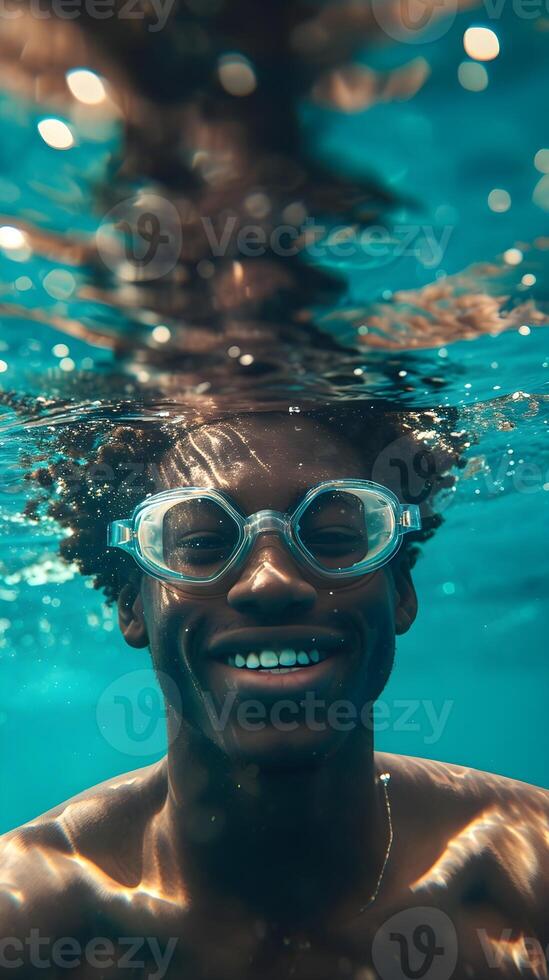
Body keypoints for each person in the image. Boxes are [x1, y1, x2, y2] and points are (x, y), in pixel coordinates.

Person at [0, 406, 548, 980]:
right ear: (133, 603)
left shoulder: (531, 871)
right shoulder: (27, 917)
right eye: (204, 544)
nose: (271, 581)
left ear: (402, 590)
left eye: (334, 537)